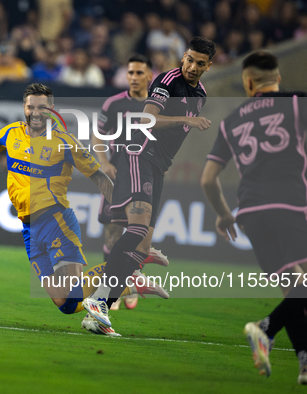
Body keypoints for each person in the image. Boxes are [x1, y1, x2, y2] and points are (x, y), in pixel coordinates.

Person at [0, 83, 162, 336]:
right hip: (29, 228)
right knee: (66, 303)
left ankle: (128, 271)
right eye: (31, 106)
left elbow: (99, 177)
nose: (36, 112)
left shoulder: (64, 142)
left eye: (42, 107)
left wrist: (123, 212)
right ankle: (126, 275)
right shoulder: (12, 133)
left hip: (56, 221)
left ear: (51, 109)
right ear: (24, 107)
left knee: (72, 290)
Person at [201, 51, 307, 387]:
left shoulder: (231, 121)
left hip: (250, 216)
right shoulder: (297, 103)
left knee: (297, 289)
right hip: (290, 208)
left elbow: (208, 179)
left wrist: (223, 214)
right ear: (278, 78)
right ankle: (265, 329)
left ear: (247, 81)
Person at [82, 37, 216, 330]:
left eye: (200, 63)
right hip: (139, 153)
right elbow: (147, 118)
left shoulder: (201, 93)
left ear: (209, 66)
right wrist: (187, 120)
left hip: (159, 165)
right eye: (189, 60)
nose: (192, 67)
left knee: (141, 247)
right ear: (184, 56)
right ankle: (99, 296)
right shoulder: (168, 80)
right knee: (136, 228)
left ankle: (100, 308)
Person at [92, 54, 170, 311]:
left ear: (150, 76)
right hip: (117, 175)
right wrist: (104, 162)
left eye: (139, 73)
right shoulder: (113, 104)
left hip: (145, 175)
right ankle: (114, 286)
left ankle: (128, 283)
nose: (134, 77)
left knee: (140, 234)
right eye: (130, 73)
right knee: (113, 231)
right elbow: (98, 135)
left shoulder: (158, 107)